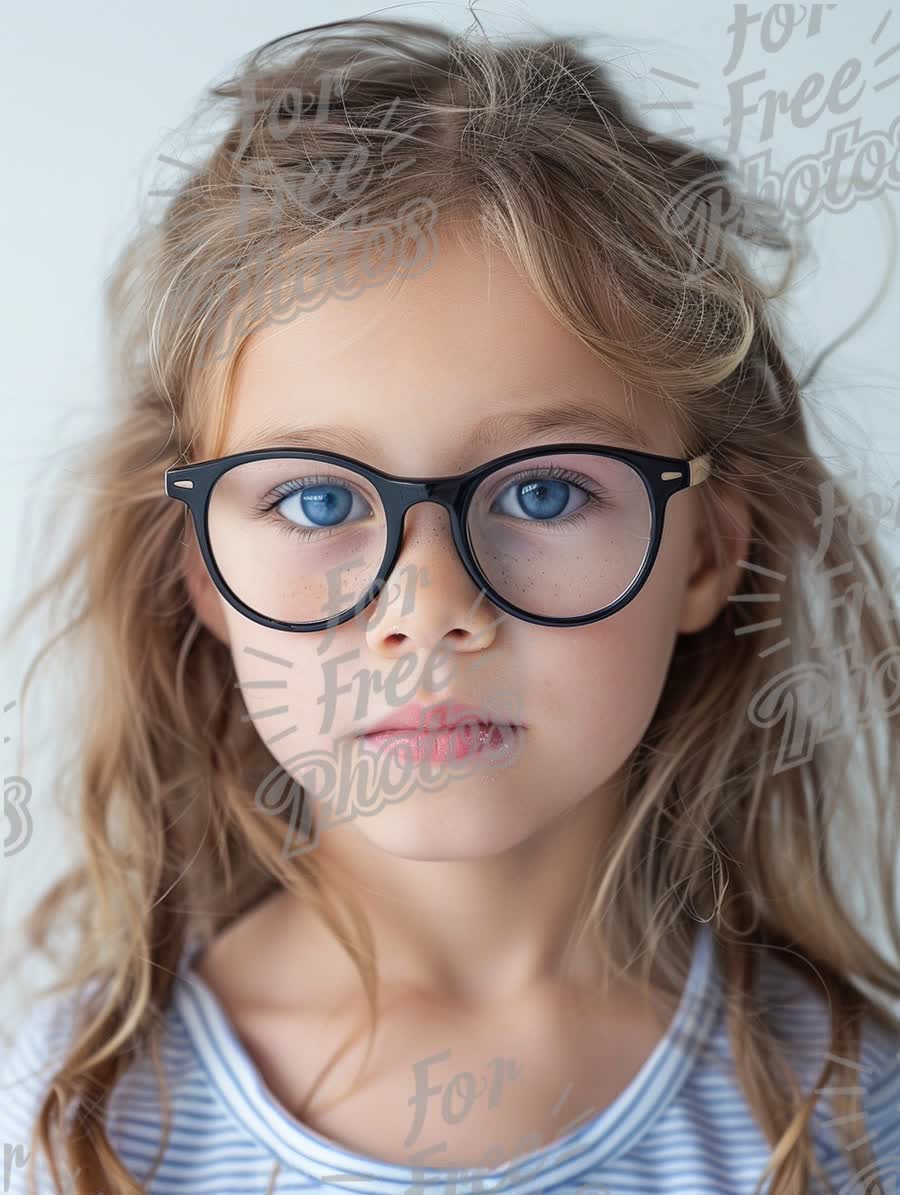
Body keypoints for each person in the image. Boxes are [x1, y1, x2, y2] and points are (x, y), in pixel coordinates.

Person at [2, 15, 899, 1195]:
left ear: (702, 556)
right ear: (201, 572)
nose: (429, 611)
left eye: (542, 490)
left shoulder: (850, 1108)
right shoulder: (70, 1117)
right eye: (320, 503)